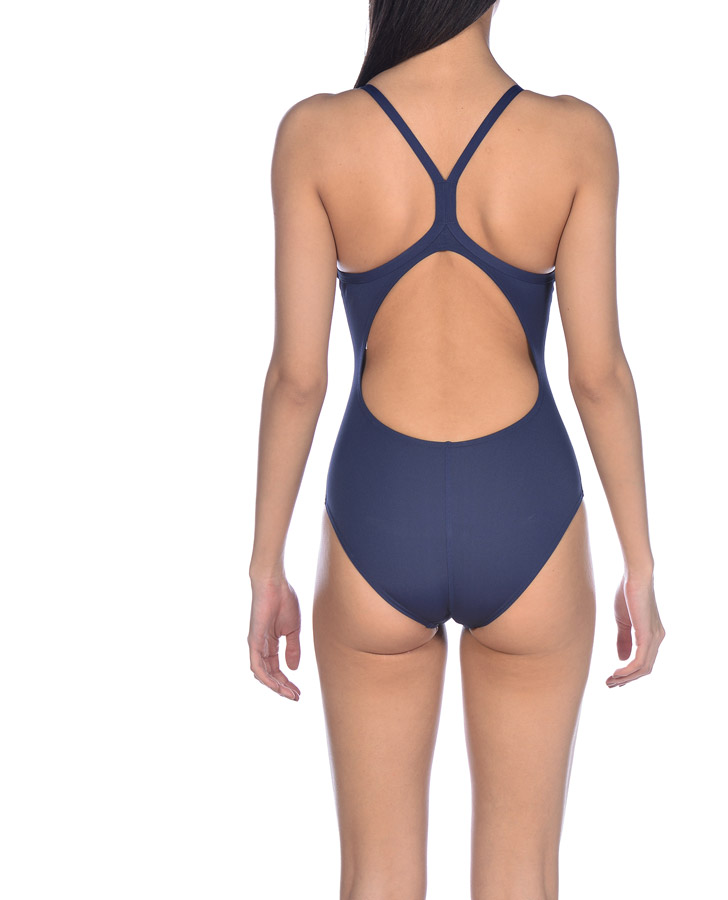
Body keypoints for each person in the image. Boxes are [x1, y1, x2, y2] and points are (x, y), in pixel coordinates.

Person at [248, 1, 665, 896]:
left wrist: (264, 565)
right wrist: (640, 563)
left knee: (375, 875)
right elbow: (600, 375)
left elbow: (297, 379)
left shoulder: (314, 134)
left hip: (377, 513)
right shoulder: (575, 137)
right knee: (522, 874)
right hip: (528, 512)